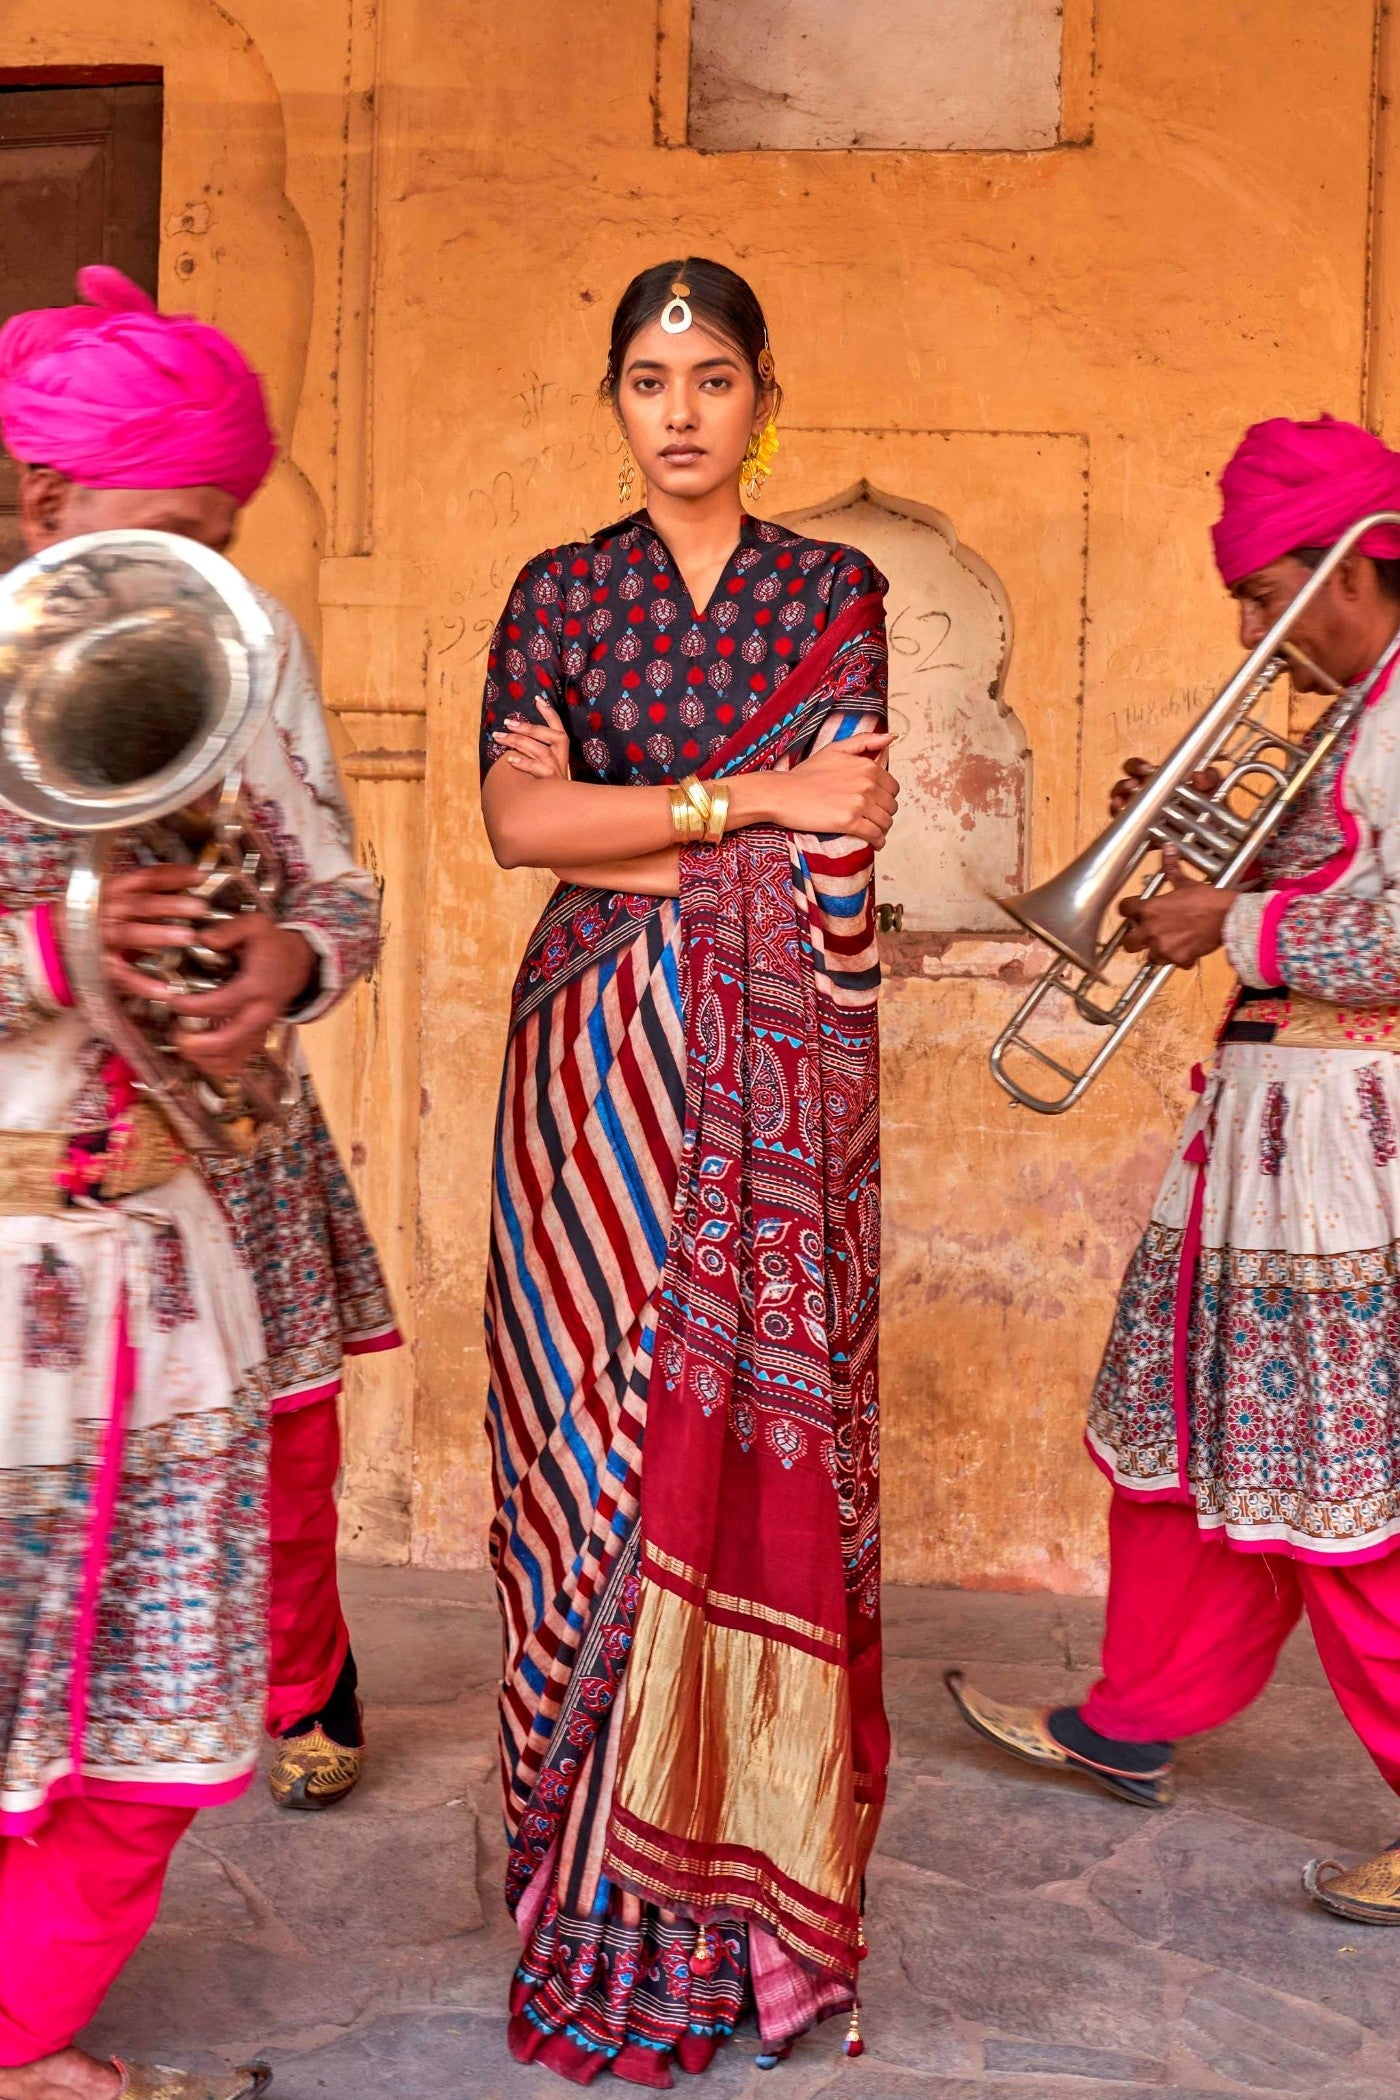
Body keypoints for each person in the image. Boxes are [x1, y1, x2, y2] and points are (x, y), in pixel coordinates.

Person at [479, 257, 897, 2086]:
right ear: (613, 398)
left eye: (711, 376)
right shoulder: (558, 593)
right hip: (587, 1076)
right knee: (581, 1451)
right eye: (646, 376)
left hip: (773, 1083)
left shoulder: (836, 591)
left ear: (760, 394)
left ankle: (741, 1910)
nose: (677, 409)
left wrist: (629, 833)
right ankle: (581, 1891)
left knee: (734, 1452)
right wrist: (745, 809)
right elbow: (517, 827)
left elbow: (852, 839)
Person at [0, 271, 382, 2096]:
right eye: (171, 540)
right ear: (45, 508)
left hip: (166, 1263)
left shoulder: (229, 664)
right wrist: (59, 948)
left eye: (228, 545)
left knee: (150, 1730)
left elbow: (339, 894)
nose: (208, 588)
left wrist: (287, 970)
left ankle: (22, 2027)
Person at [947, 412, 1400, 1926]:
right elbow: (1341, 876)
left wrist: (1237, 924)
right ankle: (1132, 1716)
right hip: (1266, 1127)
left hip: (1350, 1152)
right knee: (1196, 1442)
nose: (1263, 638)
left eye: (1270, 602)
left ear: (1350, 568)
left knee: (1345, 1486)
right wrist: (1216, 854)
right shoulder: (1358, 713)